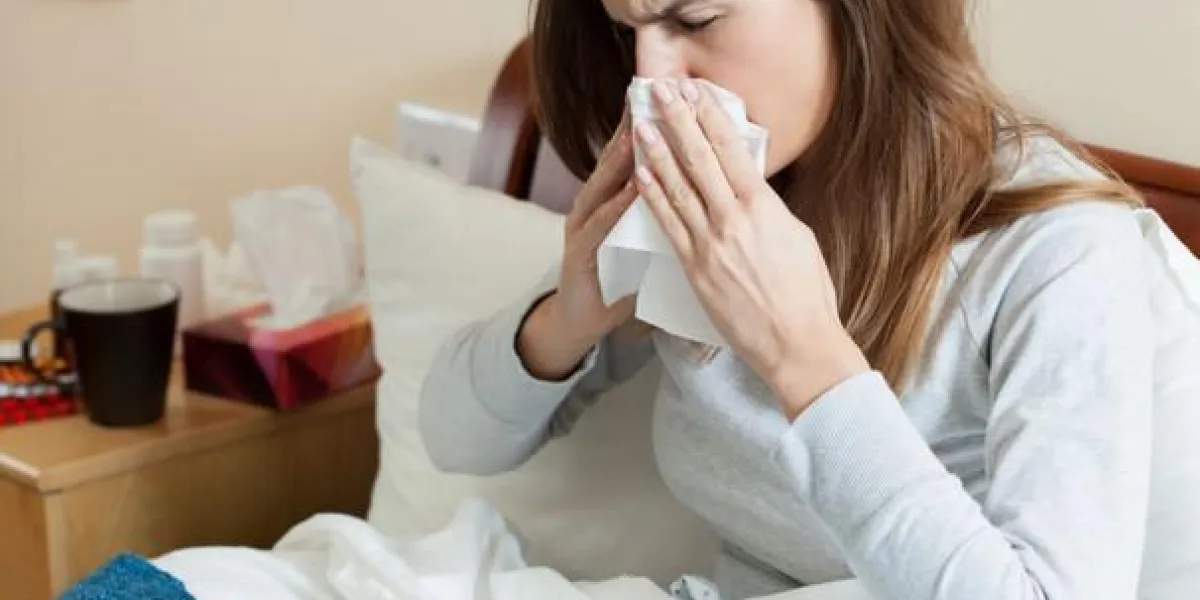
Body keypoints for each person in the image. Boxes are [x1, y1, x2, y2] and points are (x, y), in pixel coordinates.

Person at [420, 0, 1200, 599]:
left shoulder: (1054, 251)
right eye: (629, 31)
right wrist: (567, 319)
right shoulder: (714, 196)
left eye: (697, 18)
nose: (651, 77)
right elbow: (456, 441)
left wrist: (809, 364)